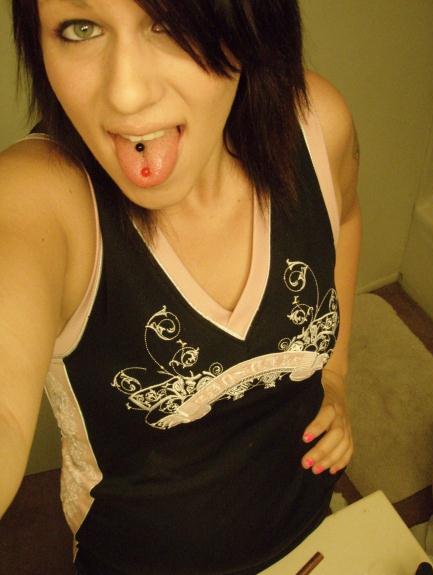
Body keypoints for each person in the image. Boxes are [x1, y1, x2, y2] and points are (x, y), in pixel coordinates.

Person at [0, 0, 361, 573]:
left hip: (306, 521)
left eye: (169, 22)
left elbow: (345, 219)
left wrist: (335, 377)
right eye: (81, 28)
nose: (125, 94)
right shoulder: (38, 200)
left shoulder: (316, 125)